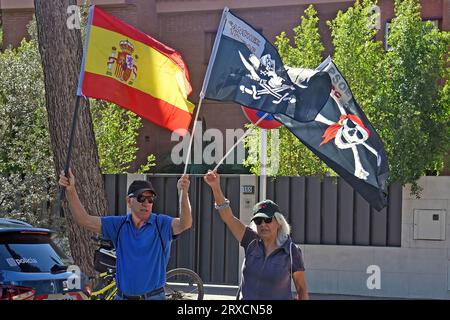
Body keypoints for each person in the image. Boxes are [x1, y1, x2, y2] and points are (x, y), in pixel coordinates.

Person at [58, 168, 192, 300]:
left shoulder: (161, 223)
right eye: (141, 198)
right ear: (128, 201)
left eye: (150, 199)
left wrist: (184, 193)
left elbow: (185, 223)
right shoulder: (119, 225)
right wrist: (71, 190)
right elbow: (84, 220)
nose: (146, 203)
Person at [203, 170, 308, 300]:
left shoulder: (292, 251)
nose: (263, 224)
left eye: (268, 220)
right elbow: (228, 217)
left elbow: (301, 289)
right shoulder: (250, 241)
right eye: (258, 221)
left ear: (279, 223)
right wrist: (215, 187)